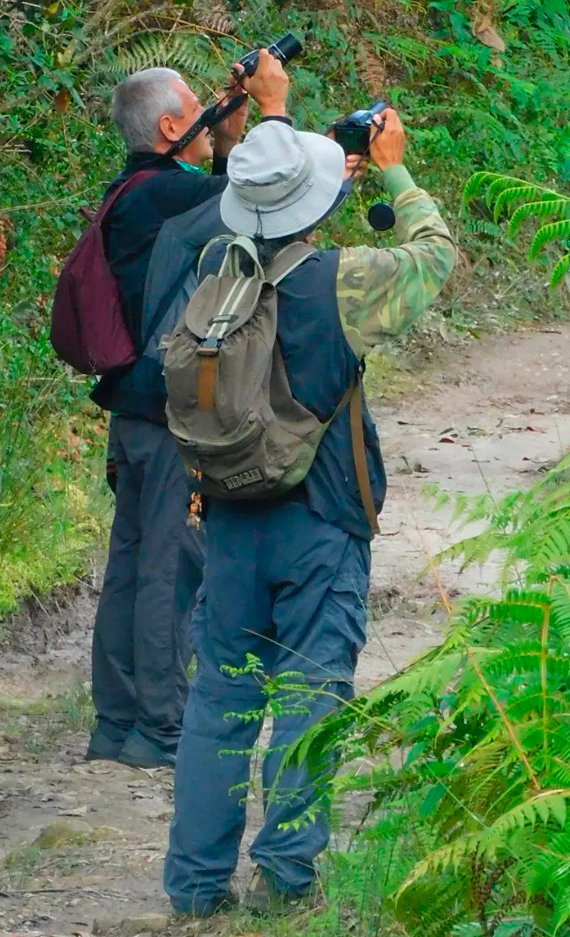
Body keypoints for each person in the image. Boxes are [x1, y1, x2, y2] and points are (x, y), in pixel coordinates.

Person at [163, 54, 458, 914]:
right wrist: (394, 165)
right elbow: (434, 256)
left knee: (220, 697)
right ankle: (286, 880)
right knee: (309, 695)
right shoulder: (346, 281)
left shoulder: (210, 274)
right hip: (321, 519)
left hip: (227, 516)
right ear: (320, 202)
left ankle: (193, 886)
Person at [87, 61, 291, 770]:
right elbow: (262, 205)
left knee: (132, 561)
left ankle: (115, 724)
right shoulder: (167, 195)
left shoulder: (135, 192)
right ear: (173, 127)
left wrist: (230, 137)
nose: (209, 115)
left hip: (132, 404)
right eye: (199, 110)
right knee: (170, 568)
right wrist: (274, 111)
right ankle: (160, 728)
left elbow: (222, 207)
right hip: (169, 409)